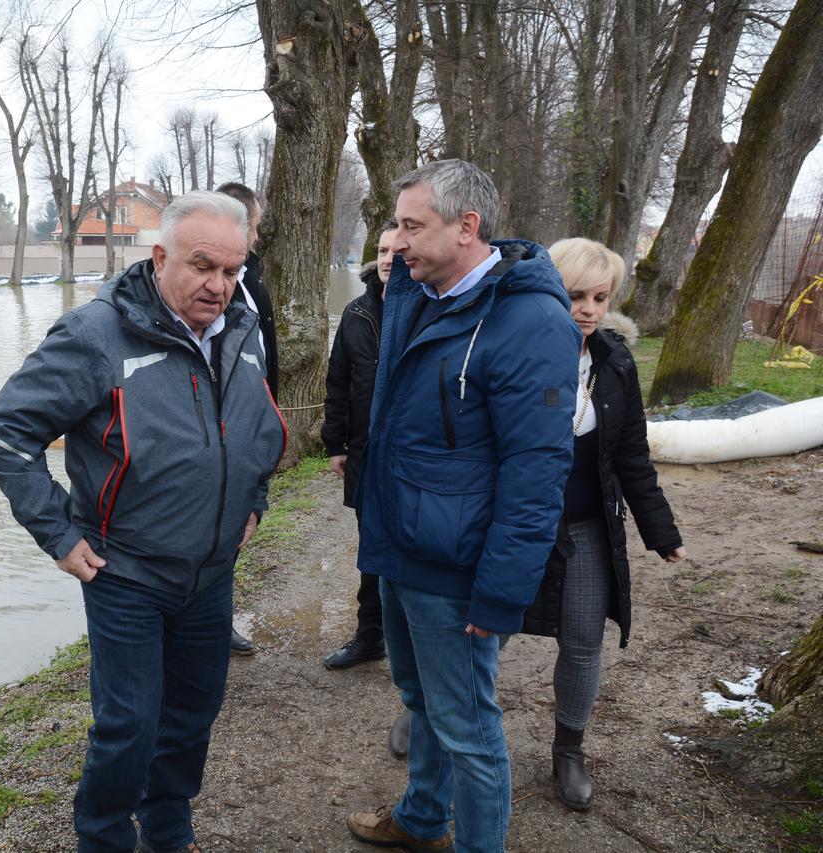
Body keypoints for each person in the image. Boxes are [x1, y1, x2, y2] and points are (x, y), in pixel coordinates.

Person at [0, 191, 287, 853]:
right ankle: (104, 835)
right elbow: (7, 434)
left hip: (210, 573)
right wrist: (60, 534)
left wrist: (254, 500)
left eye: (233, 270)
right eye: (203, 266)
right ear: (158, 257)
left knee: (193, 715)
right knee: (129, 726)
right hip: (126, 573)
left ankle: (169, 829)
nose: (220, 285)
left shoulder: (243, 327)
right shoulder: (95, 334)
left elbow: (257, 425)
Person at [346, 159, 581, 853]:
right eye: (397, 223)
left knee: (470, 729)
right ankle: (422, 818)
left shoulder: (533, 323)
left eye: (412, 225)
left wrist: (502, 592)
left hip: (457, 567)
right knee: (420, 699)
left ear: (467, 227)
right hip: (402, 547)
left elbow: (538, 473)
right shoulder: (421, 292)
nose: (398, 240)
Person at [517, 237, 686, 811]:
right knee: (473, 635)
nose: (587, 309)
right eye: (573, 296)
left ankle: (569, 750)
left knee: (585, 642)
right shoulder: (511, 350)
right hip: (510, 526)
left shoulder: (614, 362)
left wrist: (659, 531)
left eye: (599, 297)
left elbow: (633, 453)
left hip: (586, 526)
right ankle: (429, 722)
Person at [320, 221, 397, 671]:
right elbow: (338, 382)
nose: (389, 259)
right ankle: (370, 635)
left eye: (398, 251)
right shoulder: (356, 313)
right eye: (383, 251)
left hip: (414, 456)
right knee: (372, 547)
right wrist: (337, 442)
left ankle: (418, 641)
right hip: (367, 453)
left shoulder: (432, 309)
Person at [217, 180, 280, 656]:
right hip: (224, 424)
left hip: (252, 418)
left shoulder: (252, 276)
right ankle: (211, 624)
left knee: (239, 525)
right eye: (255, 227)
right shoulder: (220, 285)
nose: (258, 237)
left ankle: (216, 618)